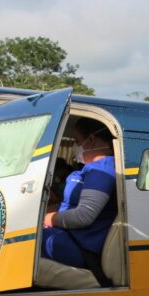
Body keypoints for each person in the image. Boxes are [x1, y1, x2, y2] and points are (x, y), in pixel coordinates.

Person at [41, 118, 118, 275]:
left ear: (91, 140)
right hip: (68, 236)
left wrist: (48, 218)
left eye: (77, 141)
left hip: (79, 246)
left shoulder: (103, 169)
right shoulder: (93, 168)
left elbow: (84, 215)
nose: (74, 147)